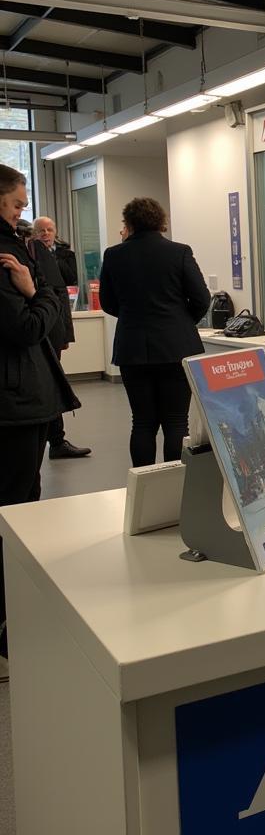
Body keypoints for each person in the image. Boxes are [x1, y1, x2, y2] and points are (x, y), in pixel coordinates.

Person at [0, 166, 79, 663]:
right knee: (15, 506)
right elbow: (29, 328)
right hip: (14, 403)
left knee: (22, 497)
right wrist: (39, 292)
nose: (22, 214)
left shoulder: (24, 248)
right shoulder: (9, 259)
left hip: (20, 400)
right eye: (15, 205)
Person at [99, 197, 211, 466]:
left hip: (132, 347)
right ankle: (174, 484)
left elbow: (108, 302)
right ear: (161, 221)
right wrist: (182, 322)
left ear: (130, 223)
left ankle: (145, 486)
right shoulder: (179, 252)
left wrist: (131, 317)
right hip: (176, 347)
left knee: (142, 422)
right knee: (176, 421)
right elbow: (202, 299)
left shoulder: (113, 255)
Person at [31, 216, 91, 459]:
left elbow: (67, 283)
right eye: (41, 230)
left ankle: (56, 440)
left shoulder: (63, 253)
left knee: (53, 378)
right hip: (40, 325)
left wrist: (66, 333)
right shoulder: (30, 253)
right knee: (49, 381)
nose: (46, 234)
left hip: (53, 325)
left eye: (50, 230)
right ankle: (54, 439)